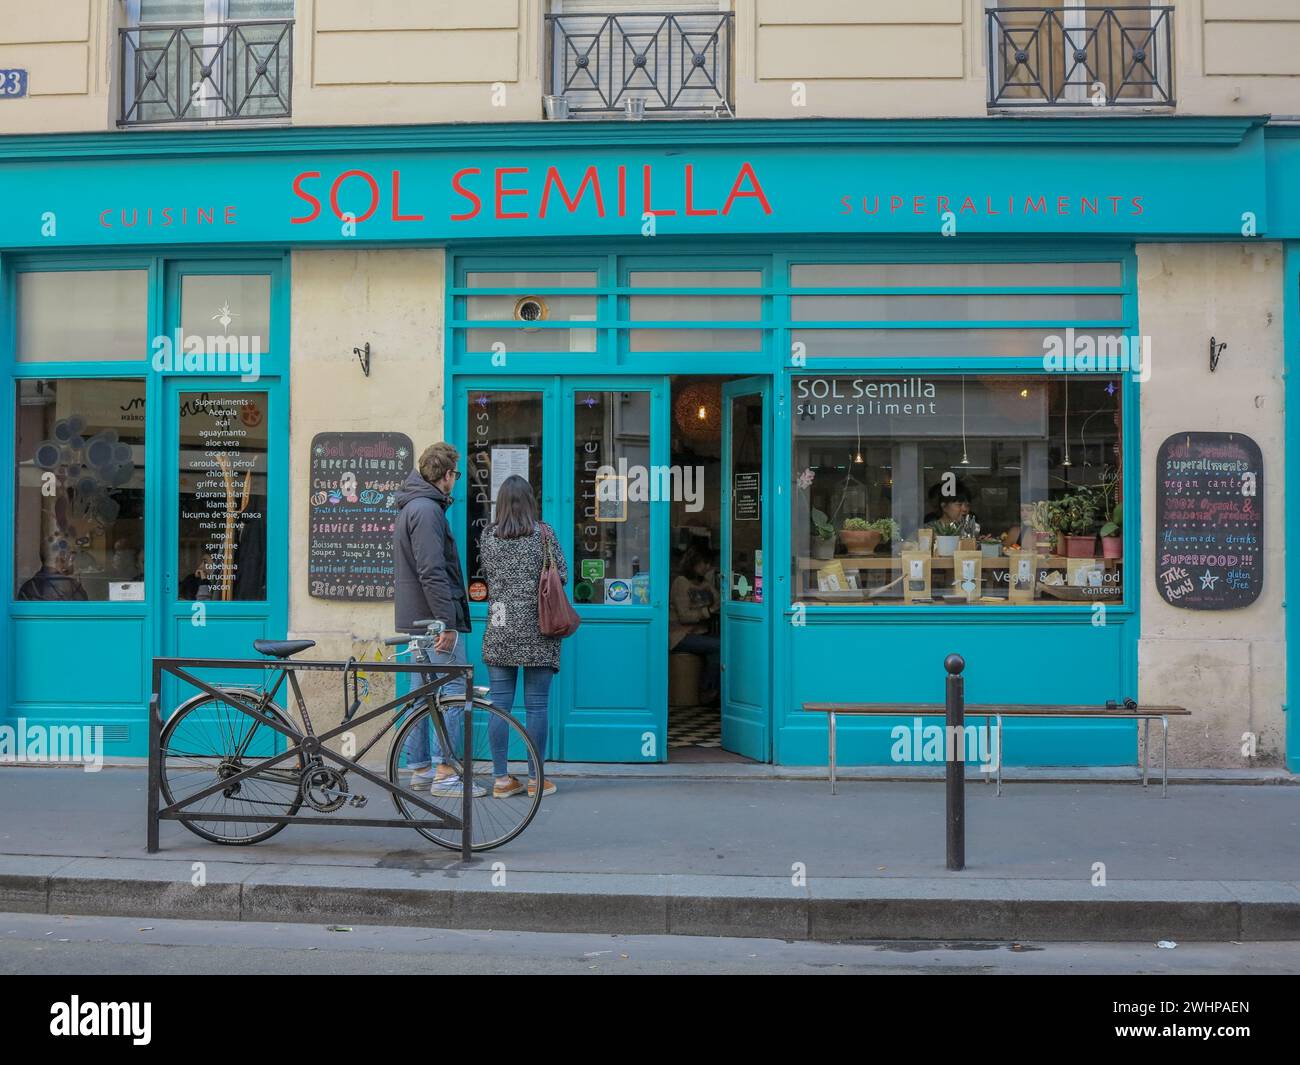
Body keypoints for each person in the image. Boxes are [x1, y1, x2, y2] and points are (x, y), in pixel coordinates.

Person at [393, 441, 483, 797]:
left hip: (416, 618)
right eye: (456, 474)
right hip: (433, 622)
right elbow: (432, 571)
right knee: (453, 692)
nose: (456, 481)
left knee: (422, 695)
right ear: (446, 475)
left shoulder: (411, 506)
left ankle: (420, 769)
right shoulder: (428, 511)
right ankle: (446, 773)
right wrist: (445, 622)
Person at [478, 475, 565, 799]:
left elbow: (488, 575)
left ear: (500, 503)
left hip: (500, 625)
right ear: (531, 501)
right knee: (537, 707)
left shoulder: (488, 536)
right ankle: (535, 779)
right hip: (538, 628)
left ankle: (501, 780)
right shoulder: (543, 534)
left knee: (500, 704)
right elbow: (563, 575)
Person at [669, 546, 721, 704]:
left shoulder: (703, 582)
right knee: (719, 646)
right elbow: (685, 616)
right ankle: (707, 691)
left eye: (709, 564)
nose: (707, 567)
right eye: (704, 563)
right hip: (680, 635)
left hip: (699, 633)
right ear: (693, 563)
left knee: (717, 652)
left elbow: (719, 600)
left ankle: (711, 692)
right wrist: (708, 611)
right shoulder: (681, 583)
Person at [17, 534, 88, 601]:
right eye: (72, 555)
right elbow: (85, 611)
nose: (73, 560)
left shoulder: (27, 588)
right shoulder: (73, 588)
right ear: (63, 557)